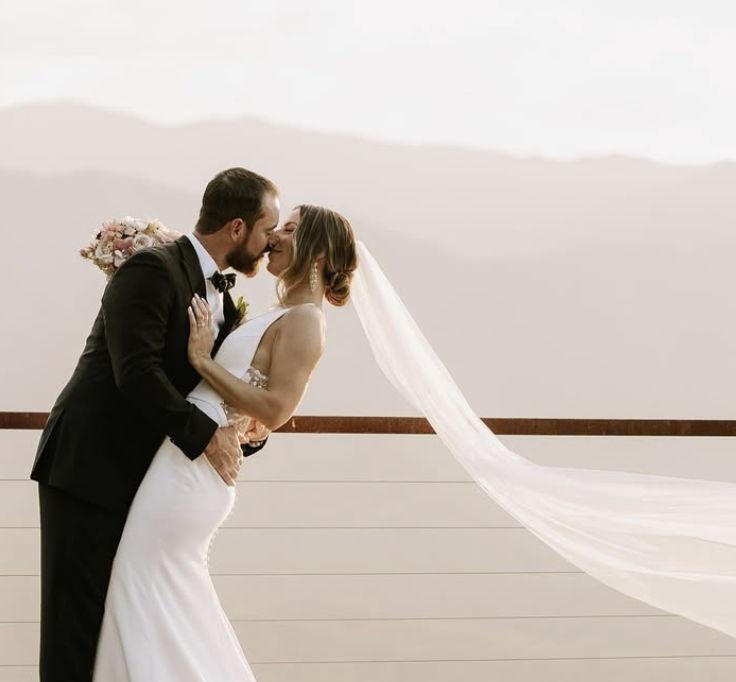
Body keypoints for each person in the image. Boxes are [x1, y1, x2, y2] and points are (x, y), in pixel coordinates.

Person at [29, 167, 280, 682]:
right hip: (88, 468)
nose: (269, 241)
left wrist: (241, 432)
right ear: (236, 228)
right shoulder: (152, 268)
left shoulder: (223, 298)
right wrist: (206, 438)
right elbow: (136, 372)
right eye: (266, 229)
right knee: (75, 626)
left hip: (147, 479)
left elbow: (202, 388)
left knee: (120, 621)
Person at [91, 204, 357, 680]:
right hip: (187, 455)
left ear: (318, 252)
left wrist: (203, 361)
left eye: (289, 230)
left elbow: (275, 409)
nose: (274, 237)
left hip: (196, 469)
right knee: (161, 589)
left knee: (140, 580)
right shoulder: (284, 313)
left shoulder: (307, 321)